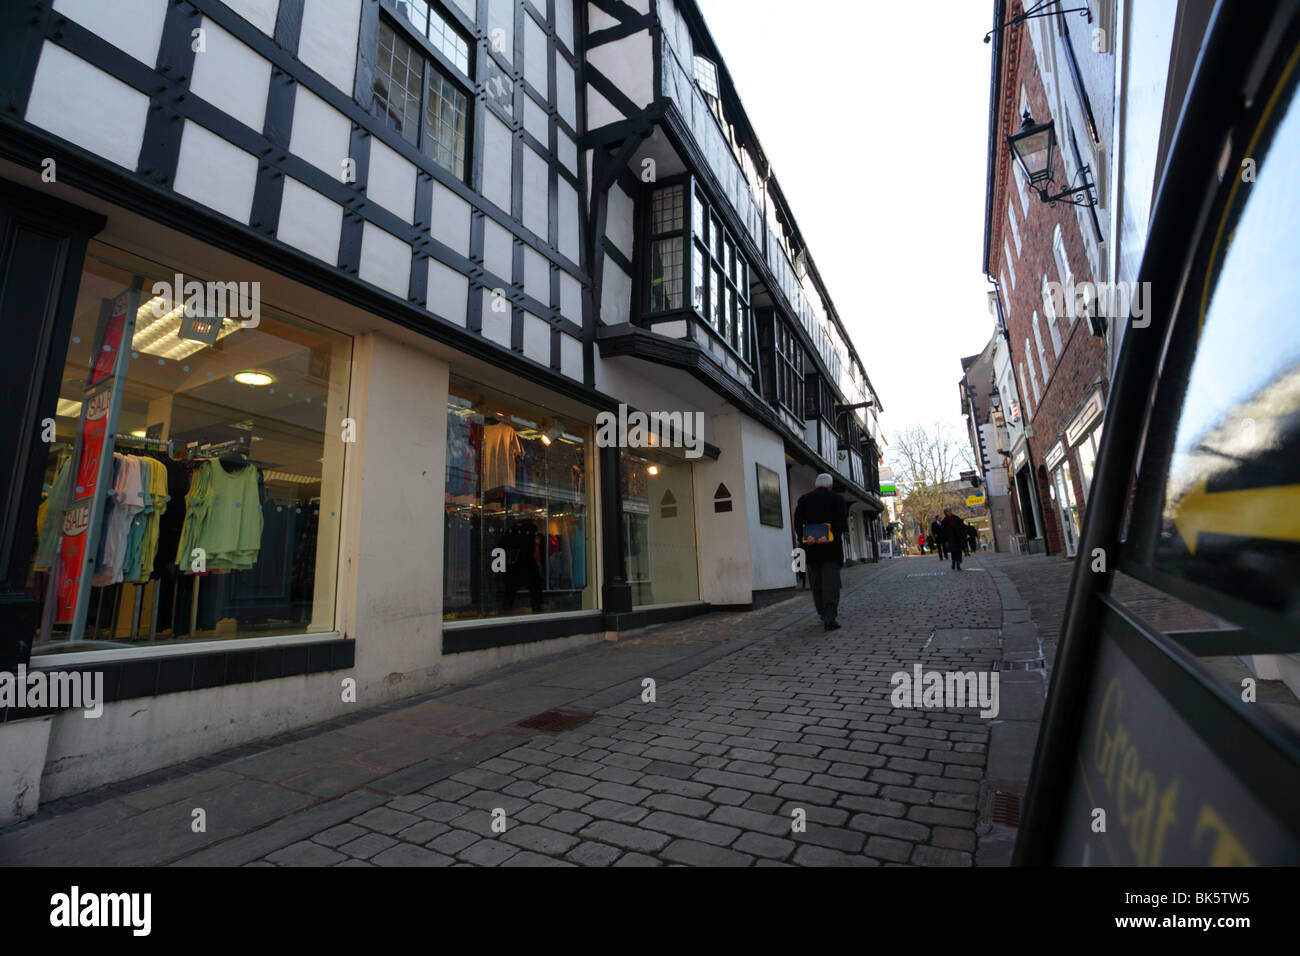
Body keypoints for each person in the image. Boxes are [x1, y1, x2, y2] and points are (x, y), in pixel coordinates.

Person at [794, 473, 848, 631]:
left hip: (811, 549)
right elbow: (842, 524)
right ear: (830, 486)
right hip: (831, 550)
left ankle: (822, 612)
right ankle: (829, 618)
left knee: (816, 584)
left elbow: (798, 523)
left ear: (815, 485)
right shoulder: (837, 499)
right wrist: (829, 534)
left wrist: (805, 537)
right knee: (830, 584)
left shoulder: (803, 500)